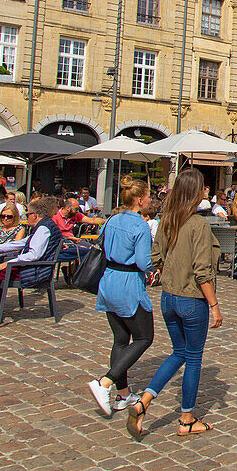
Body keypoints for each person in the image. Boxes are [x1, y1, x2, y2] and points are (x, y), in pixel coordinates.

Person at [126, 169, 222, 440]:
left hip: (168, 297)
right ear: (196, 192)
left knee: (178, 352)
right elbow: (202, 270)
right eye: (203, 188)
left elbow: (154, 257)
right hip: (191, 298)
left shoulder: (167, 219)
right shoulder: (198, 224)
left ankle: (143, 401)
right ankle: (187, 419)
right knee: (193, 358)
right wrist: (214, 305)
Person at [88, 177, 155, 417]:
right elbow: (143, 261)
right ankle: (105, 382)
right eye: (148, 197)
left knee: (119, 339)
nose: (150, 200)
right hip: (128, 283)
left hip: (109, 280)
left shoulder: (111, 220)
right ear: (139, 200)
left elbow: (103, 246)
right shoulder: (140, 226)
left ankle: (123, 394)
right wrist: (158, 263)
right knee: (144, 337)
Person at [0, 196, 63, 328]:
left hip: (33, 271)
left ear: (35, 215)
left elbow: (33, 255)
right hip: (30, 267)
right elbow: (18, 244)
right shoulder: (42, 227)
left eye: (28, 215)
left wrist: (7, 264)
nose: (27, 217)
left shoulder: (43, 229)